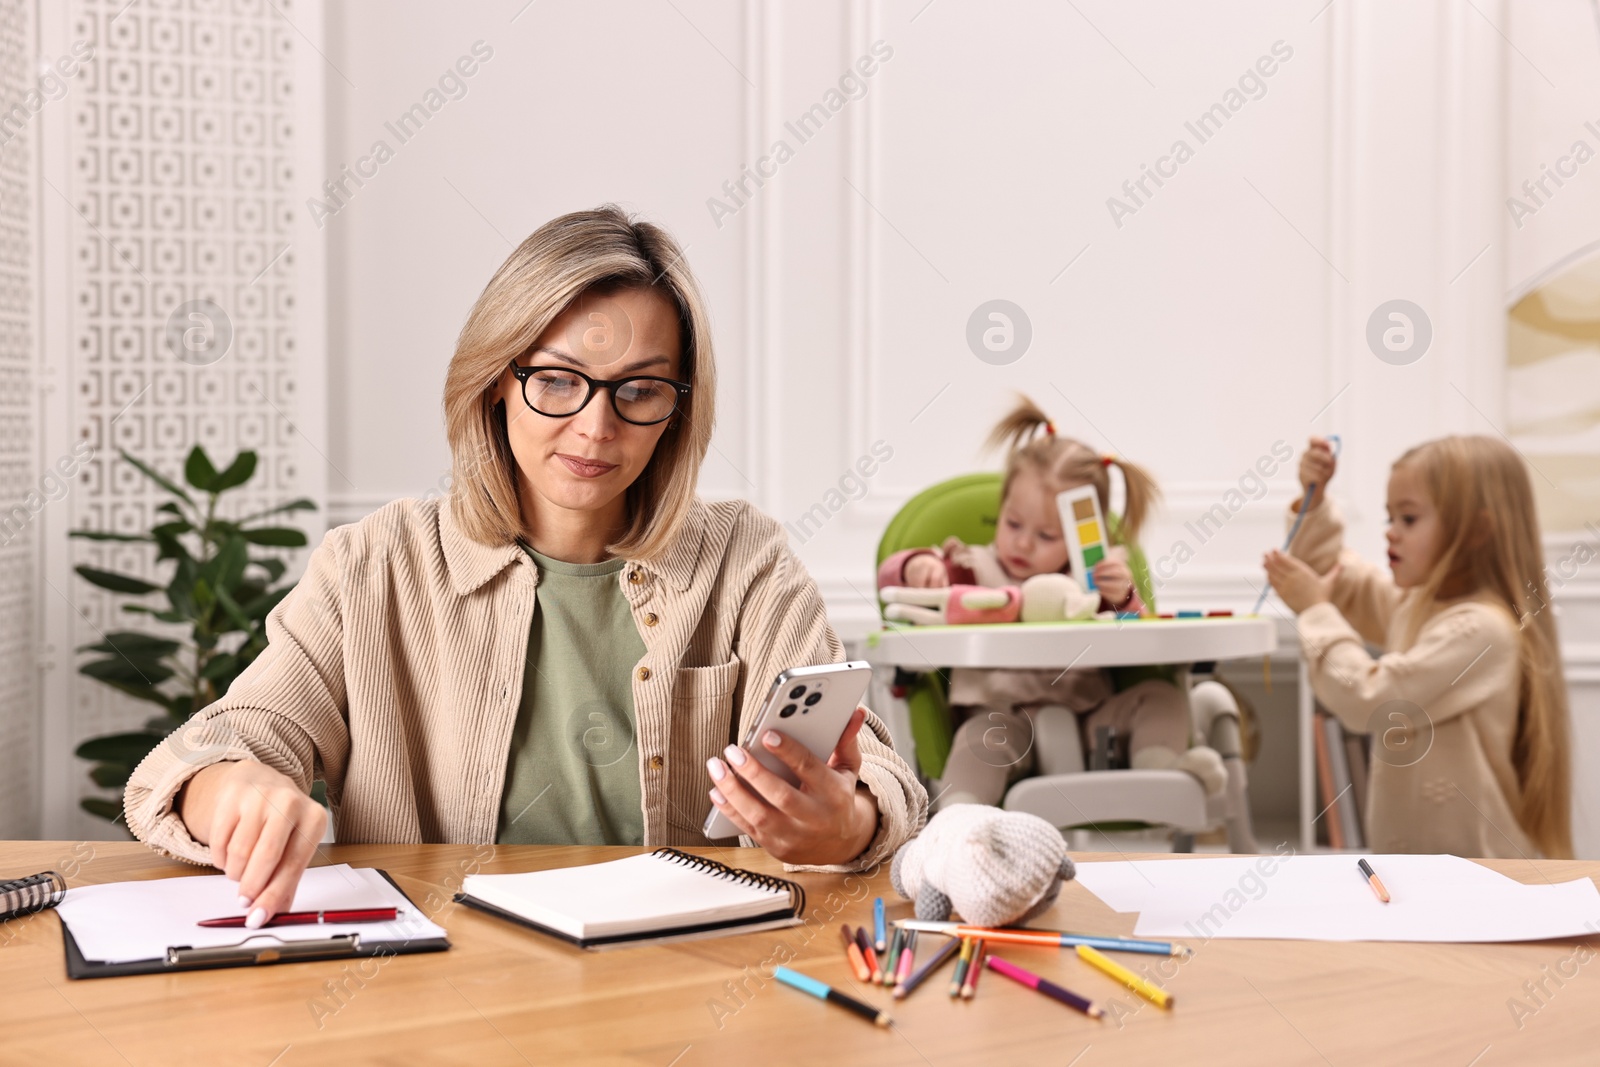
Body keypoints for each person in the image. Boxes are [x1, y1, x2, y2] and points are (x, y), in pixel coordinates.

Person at [123, 205, 927, 927]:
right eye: (555, 381)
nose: (595, 427)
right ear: (494, 384)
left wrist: (845, 821)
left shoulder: (743, 560)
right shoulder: (373, 565)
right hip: (445, 991)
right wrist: (231, 787)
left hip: (687, 983)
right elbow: (227, 740)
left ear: (676, 411)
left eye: (639, 391)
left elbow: (880, 778)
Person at [876, 395, 1224, 810]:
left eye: (1046, 536)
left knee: (1159, 696)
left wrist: (1123, 599)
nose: (1023, 542)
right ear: (1000, 509)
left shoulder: (1090, 584)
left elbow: (1143, 644)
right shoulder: (972, 569)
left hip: (1089, 722)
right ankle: (959, 817)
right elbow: (892, 578)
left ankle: (1164, 774)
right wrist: (919, 568)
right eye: (1013, 523)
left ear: (1083, 534)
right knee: (977, 742)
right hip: (1002, 719)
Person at [1264, 435, 1572, 858]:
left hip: (1481, 877)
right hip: (1428, 874)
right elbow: (1331, 577)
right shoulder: (1416, 606)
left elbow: (1370, 698)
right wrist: (1313, 500)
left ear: (1479, 530)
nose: (1391, 532)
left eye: (1408, 519)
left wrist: (1315, 611)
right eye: (1389, 518)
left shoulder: (1484, 630)